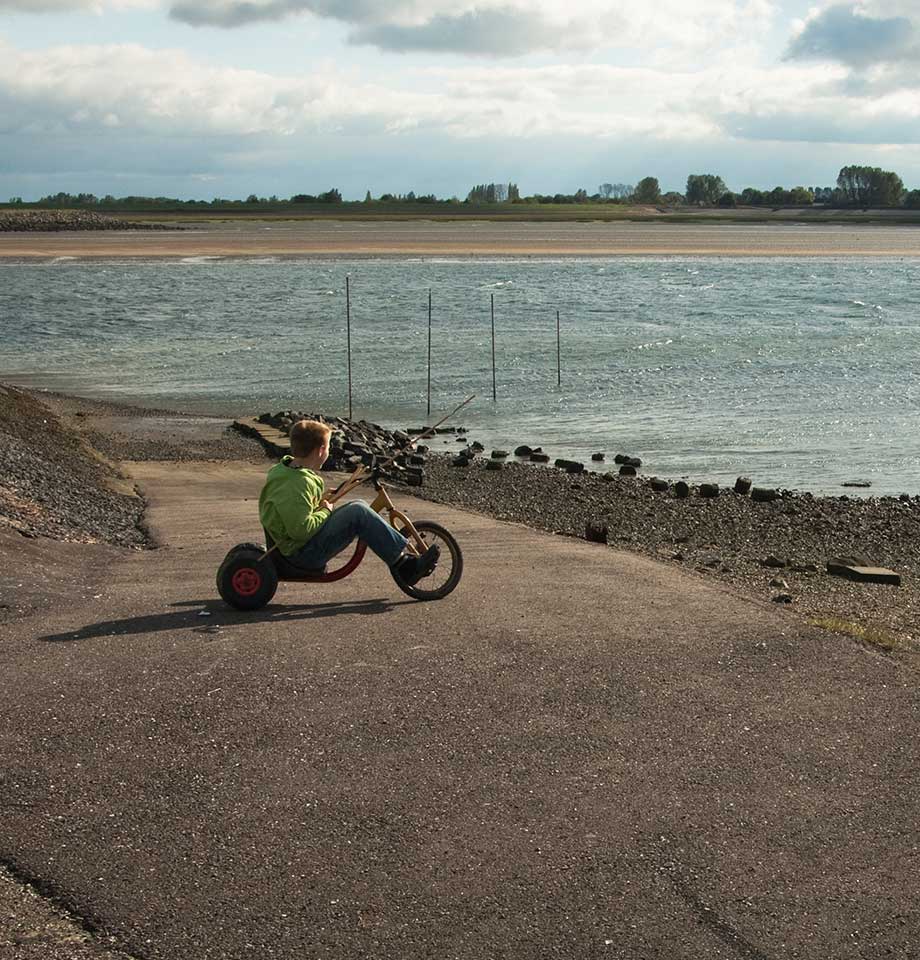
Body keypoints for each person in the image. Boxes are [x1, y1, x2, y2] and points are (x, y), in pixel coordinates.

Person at [258, 419, 439, 585]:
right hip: (301, 556)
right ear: (320, 450)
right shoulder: (298, 483)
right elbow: (301, 530)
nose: (328, 452)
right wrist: (326, 510)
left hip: (293, 548)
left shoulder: (284, 471)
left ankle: (401, 559)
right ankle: (404, 567)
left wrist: (318, 501)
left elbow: (294, 510)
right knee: (358, 513)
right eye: (328, 448)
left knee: (358, 505)